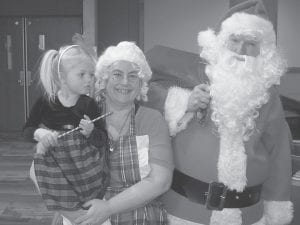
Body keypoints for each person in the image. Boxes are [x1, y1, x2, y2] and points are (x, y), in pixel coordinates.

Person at [146, 0, 293, 224]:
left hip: (248, 216)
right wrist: (183, 101)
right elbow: (142, 88)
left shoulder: (268, 96)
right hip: (184, 212)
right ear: (222, 41)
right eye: (235, 40)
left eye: (251, 43)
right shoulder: (194, 73)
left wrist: (277, 207)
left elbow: (279, 155)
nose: (241, 50)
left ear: (263, 51)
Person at [72, 41, 174, 225]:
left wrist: (109, 207)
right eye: (117, 75)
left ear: (142, 83)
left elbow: (161, 181)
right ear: (104, 79)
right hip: (89, 210)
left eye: (133, 76)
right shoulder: (84, 115)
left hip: (140, 210)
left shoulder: (152, 119)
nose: (125, 82)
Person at [24, 44, 111, 224]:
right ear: (62, 77)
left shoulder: (89, 104)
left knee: (87, 199)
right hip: (55, 164)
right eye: (82, 74)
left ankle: (79, 215)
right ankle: (72, 216)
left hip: (83, 165)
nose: (89, 80)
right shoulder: (45, 102)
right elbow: (27, 130)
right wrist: (39, 133)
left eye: (91, 74)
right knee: (43, 176)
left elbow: (103, 139)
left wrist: (91, 132)